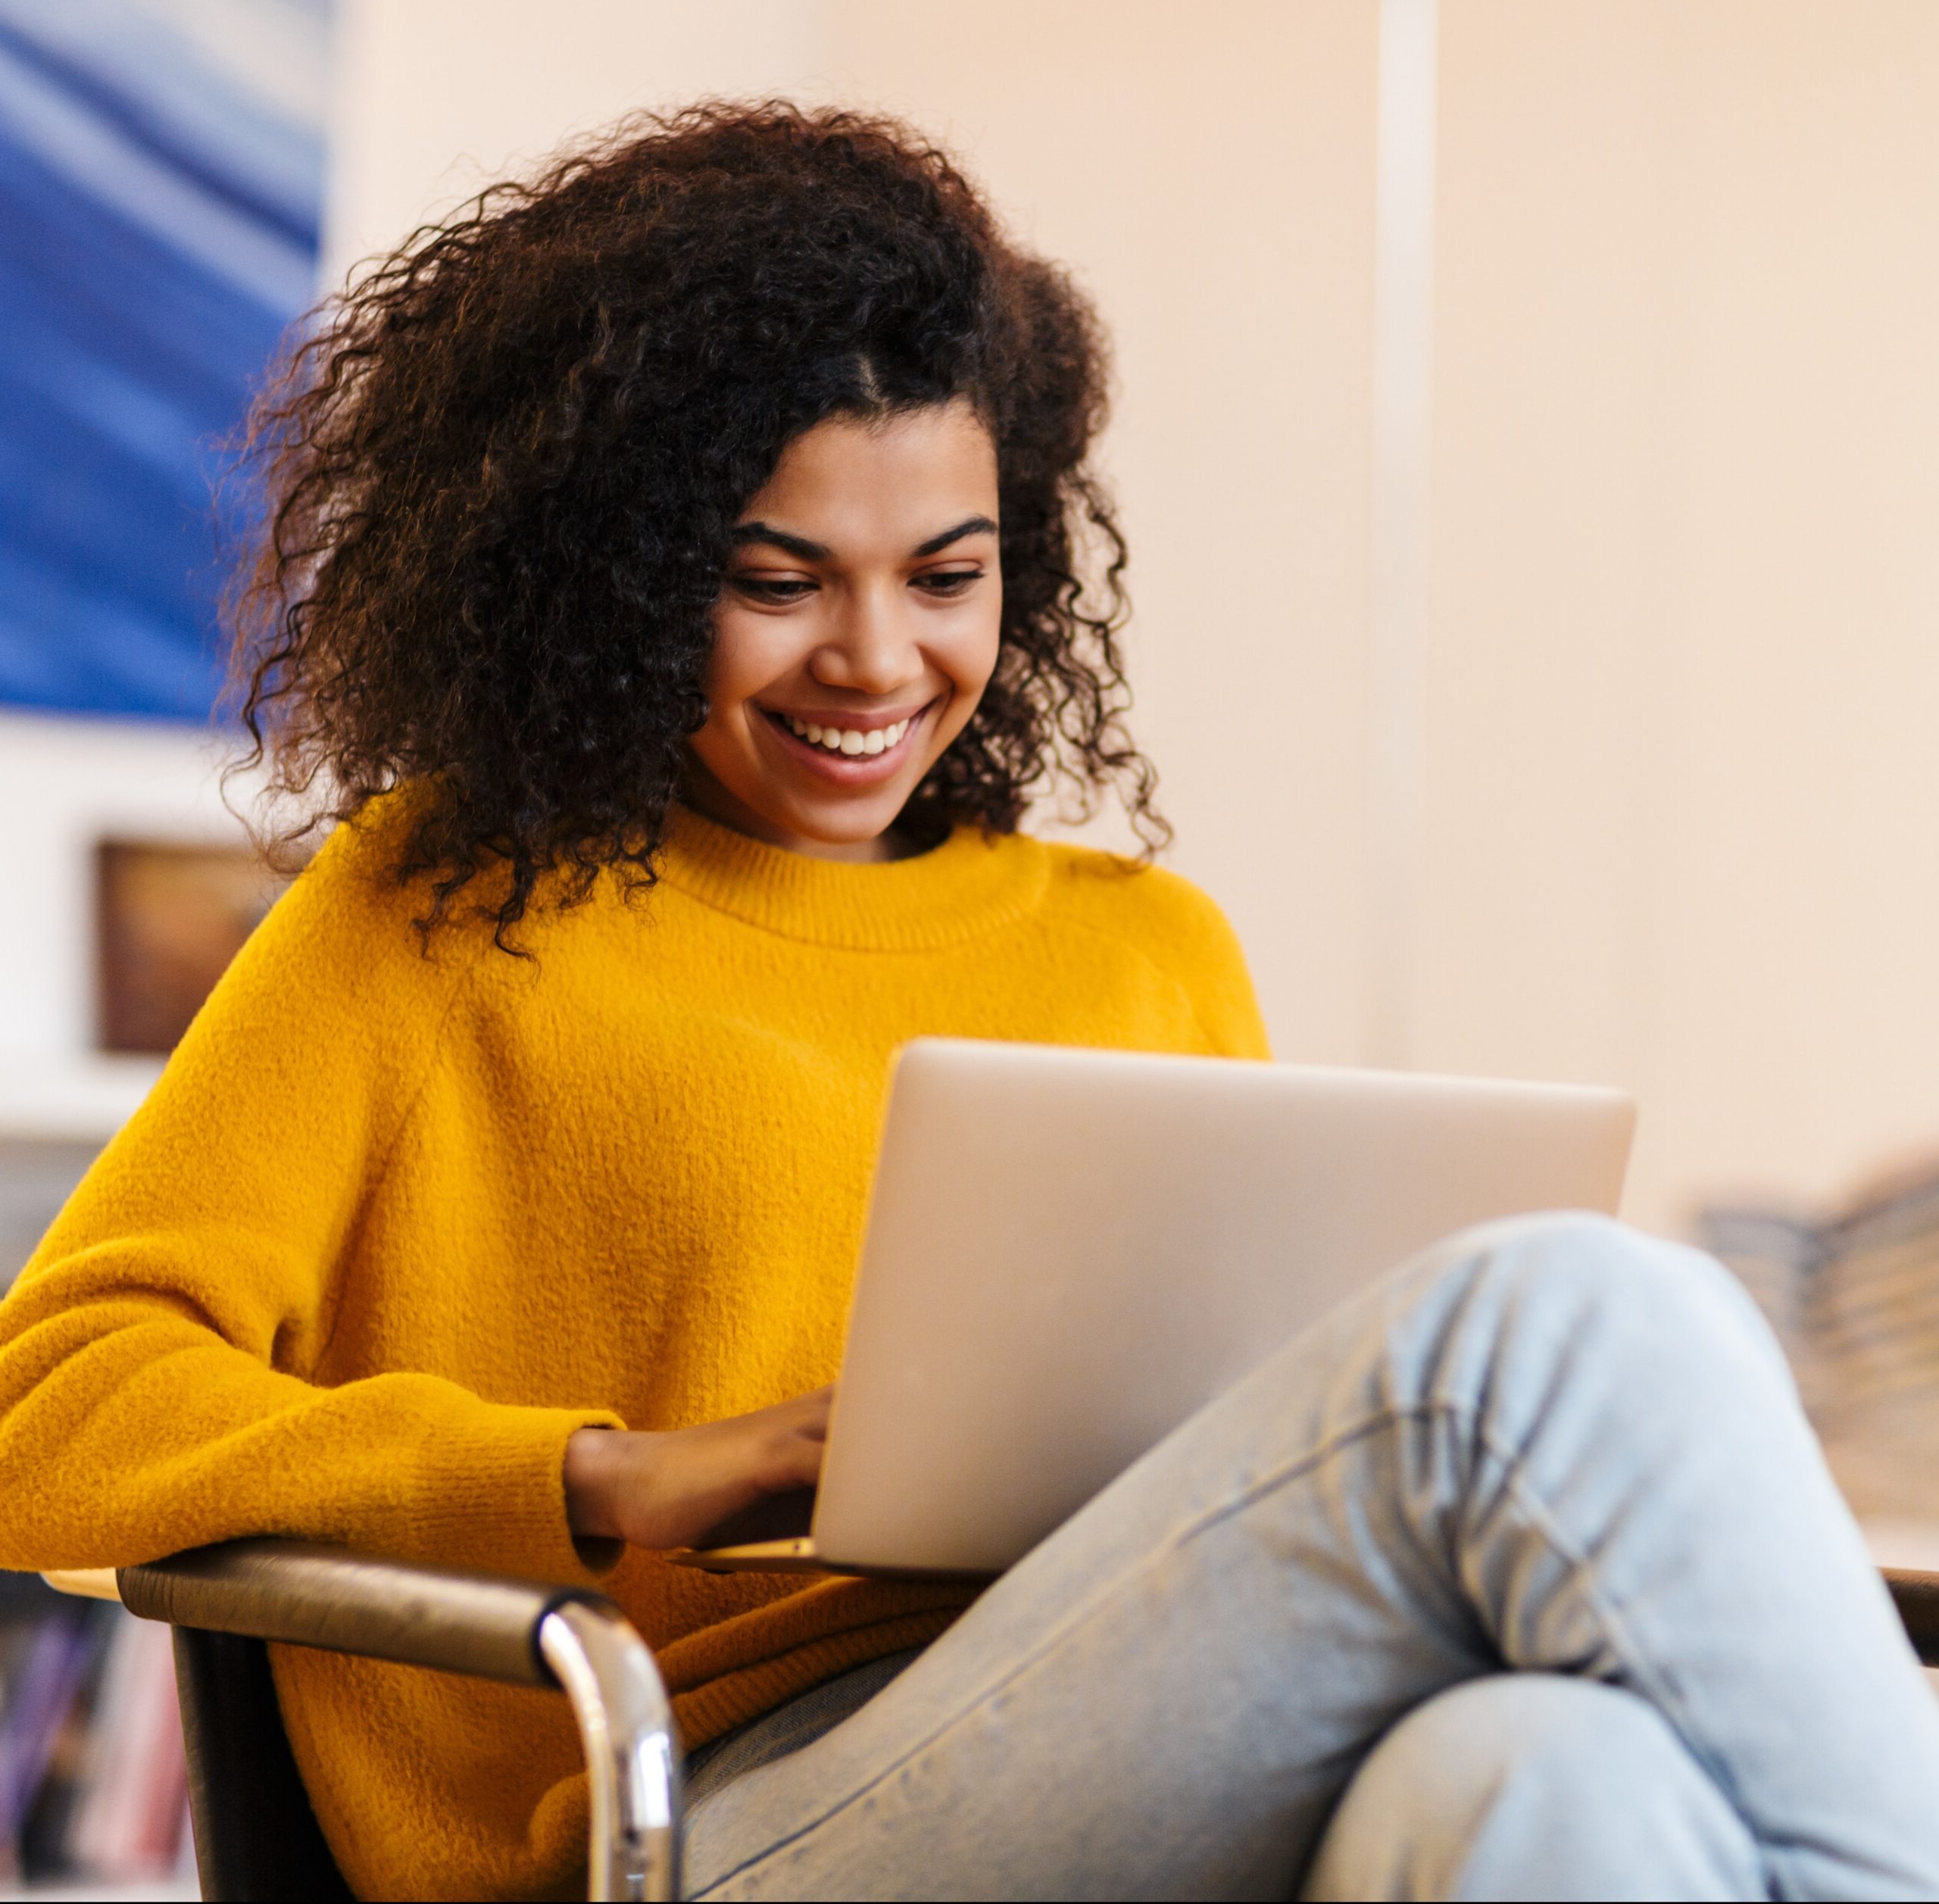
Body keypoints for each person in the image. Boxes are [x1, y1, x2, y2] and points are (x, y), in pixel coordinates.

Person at [0, 103, 1934, 1903]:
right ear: (609, 574)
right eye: (778, 580)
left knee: (1550, 1776)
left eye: (946, 573)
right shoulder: (436, 913)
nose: (875, 656)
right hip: (704, 1802)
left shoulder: (1143, 944)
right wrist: (600, 1471)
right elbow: (45, 1405)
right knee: (1576, 1315)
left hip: (1112, 1712)